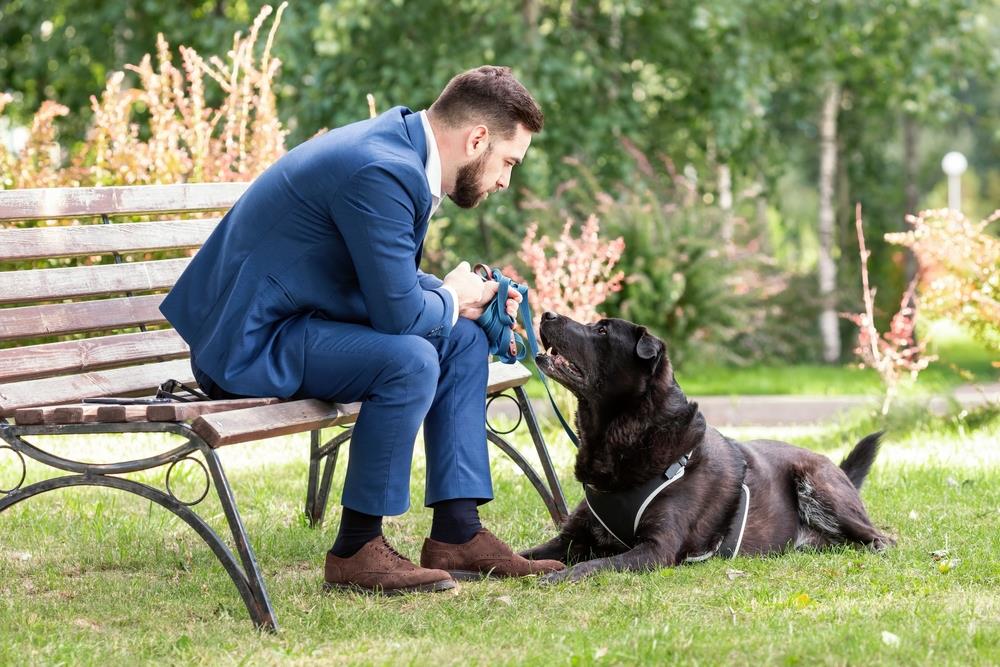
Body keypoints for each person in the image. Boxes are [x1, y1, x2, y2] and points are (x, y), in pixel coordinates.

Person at [160, 65, 564, 595]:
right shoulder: (382, 169)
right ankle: (356, 549)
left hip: (301, 322)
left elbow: (384, 280)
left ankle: (457, 532)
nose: (506, 180)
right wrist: (450, 297)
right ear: (477, 139)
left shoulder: (400, 151)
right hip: (249, 345)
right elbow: (397, 315)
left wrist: (458, 302)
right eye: (508, 162)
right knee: (411, 360)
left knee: (462, 340)